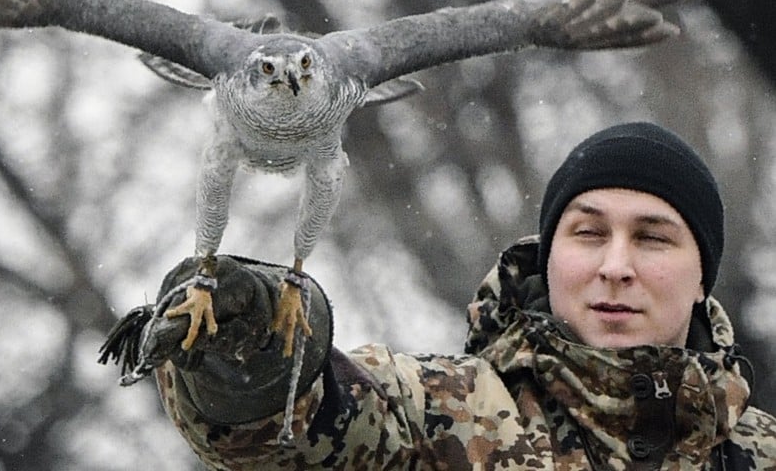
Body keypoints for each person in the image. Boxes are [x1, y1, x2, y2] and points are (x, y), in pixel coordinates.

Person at [100, 122, 776, 469]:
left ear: (701, 277)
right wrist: (253, 346)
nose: (616, 266)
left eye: (653, 239)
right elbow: (301, 428)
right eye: (588, 233)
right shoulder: (442, 417)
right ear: (551, 257)